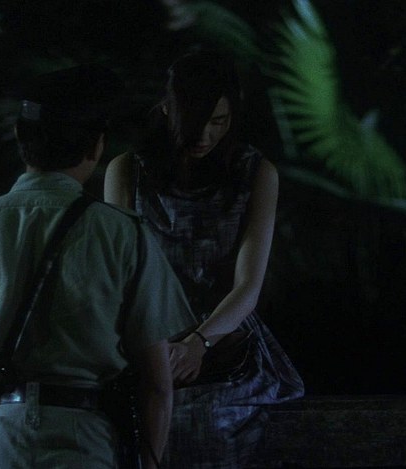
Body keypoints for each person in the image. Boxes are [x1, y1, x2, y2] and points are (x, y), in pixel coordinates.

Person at [0, 64, 195, 468]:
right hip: (86, 437)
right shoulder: (124, 234)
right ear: (96, 146)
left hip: (1, 436)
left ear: (20, 137)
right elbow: (157, 384)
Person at [104, 52, 304, 467]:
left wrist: (199, 342)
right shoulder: (127, 171)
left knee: (205, 422)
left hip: (225, 340)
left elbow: (248, 286)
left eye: (219, 121)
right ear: (166, 108)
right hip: (146, 336)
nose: (205, 134)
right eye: (195, 120)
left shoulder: (255, 173)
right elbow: (119, 278)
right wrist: (152, 345)